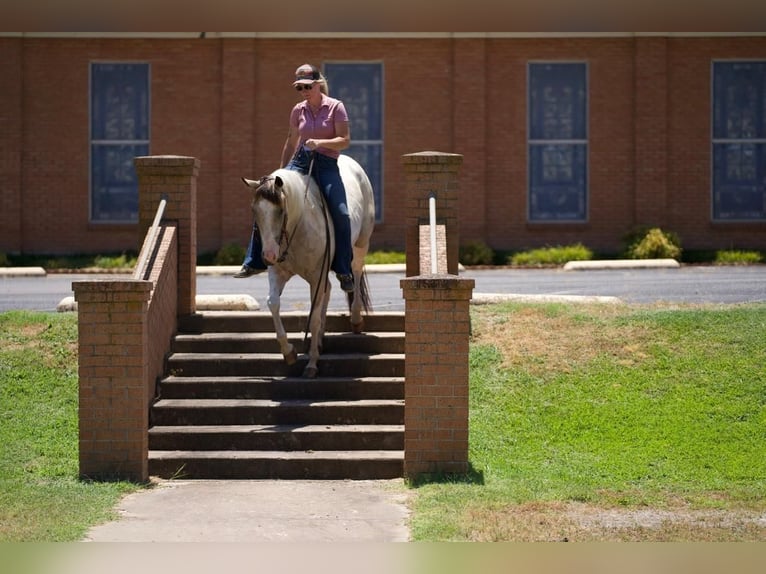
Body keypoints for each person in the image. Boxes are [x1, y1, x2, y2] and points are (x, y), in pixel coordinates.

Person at [235, 63, 355, 293]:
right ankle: (253, 261)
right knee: (266, 201)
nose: (303, 92)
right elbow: (291, 142)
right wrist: (280, 173)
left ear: (318, 85)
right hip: (299, 162)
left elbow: (345, 140)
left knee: (342, 213)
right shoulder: (297, 110)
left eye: (307, 87)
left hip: (327, 165)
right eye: (299, 88)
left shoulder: (335, 107)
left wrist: (320, 143)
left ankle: (343, 269)